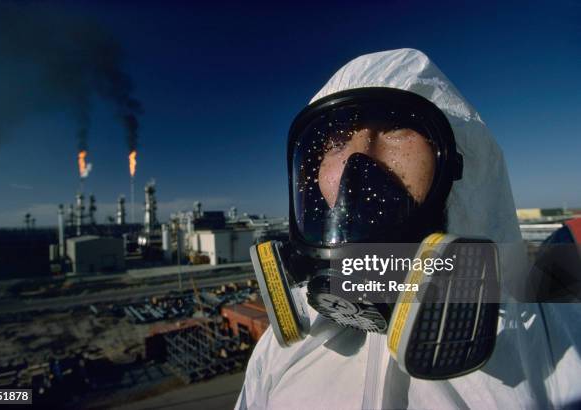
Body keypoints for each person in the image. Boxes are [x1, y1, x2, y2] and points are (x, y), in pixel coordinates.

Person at [235, 49, 581, 409]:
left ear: (458, 162)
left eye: (397, 128)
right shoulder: (277, 355)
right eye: (337, 142)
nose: (359, 161)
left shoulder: (556, 344)